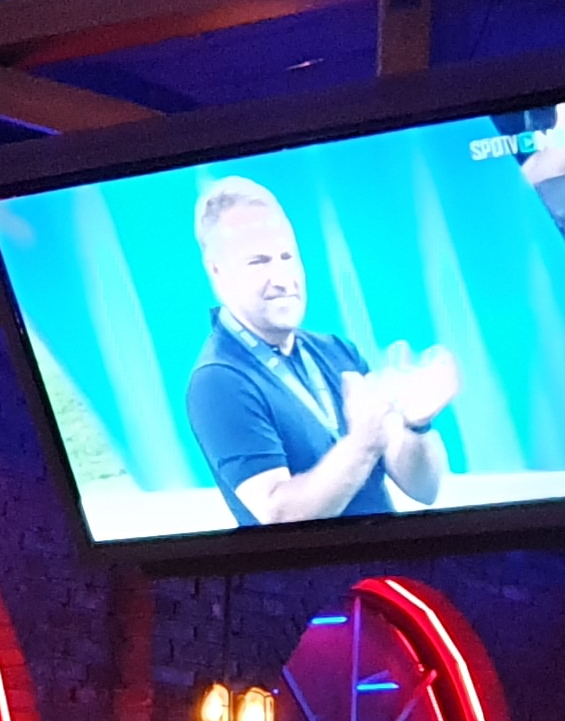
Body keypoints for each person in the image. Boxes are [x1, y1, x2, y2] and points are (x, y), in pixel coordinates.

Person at [179, 176, 456, 530]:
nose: (282, 278)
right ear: (217, 271)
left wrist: (417, 424)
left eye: (287, 256)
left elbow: (424, 489)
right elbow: (279, 515)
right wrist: (364, 444)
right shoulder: (217, 381)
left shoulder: (337, 351)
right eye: (259, 262)